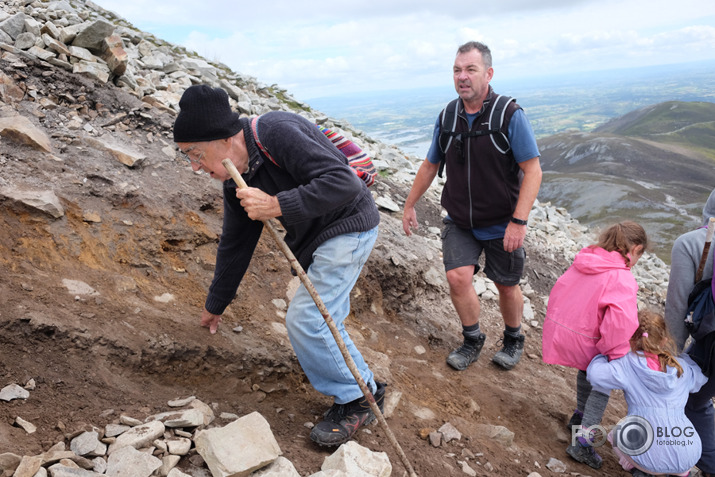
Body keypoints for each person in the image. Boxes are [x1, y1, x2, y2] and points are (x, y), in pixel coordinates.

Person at [172, 84, 384, 447]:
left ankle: (358, 398)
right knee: (322, 316)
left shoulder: (276, 131)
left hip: (350, 226)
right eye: (186, 157)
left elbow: (343, 182)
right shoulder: (236, 180)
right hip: (318, 238)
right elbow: (236, 244)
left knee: (308, 318)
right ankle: (361, 382)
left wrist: (277, 204)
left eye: (195, 154)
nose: (194, 167)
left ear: (223, 139)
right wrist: (216, 303)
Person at [402, 41, 542, 372]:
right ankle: (472, 338)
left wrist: (518, 222)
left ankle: (513, 337)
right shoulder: (448, 116)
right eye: (457, 70)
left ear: (488, 73)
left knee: (506, 286)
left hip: (502, 221)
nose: (462, 77)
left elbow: (532, 169)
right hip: (460, 220)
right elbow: (430, 165)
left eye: (470, 69)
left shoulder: (509, 115)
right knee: (457, 277)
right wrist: (410, 204)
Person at [541, 221, 649, 469]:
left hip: (566, 332)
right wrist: (617, 354)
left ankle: (578, 416)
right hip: (590, 341)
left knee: (586, 368)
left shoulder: (587, 259)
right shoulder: (621, 277)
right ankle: (583, 443)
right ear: (635, 249)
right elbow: (619, 324)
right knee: (603, 383)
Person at [588, 310, 706, 477]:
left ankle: (641, 471)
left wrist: (603, 356)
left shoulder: (627, 364)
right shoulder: (681, 368)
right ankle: (681, 473)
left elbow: (596, 375)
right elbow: (700, 378)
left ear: (630, 339)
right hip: (686, 450)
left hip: (648, 453)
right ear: (665, 340)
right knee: (677, 453)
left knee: (616, 435)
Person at [665, 188, 715, 477]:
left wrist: (669, 360)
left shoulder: (691, 243)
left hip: (711, 346)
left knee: (690, 397)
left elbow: (676, 311)